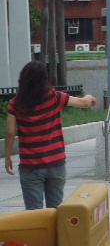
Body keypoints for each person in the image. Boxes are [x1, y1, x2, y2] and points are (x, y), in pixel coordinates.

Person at [3, 61, 97, 210]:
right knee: (55, 210)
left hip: (30, 165)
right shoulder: (55, 97)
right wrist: (90, 97)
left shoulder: (15, 103)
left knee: (34, 213)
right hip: (55, 163)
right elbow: (84, 103)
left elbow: (10, 133)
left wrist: (8, 157)